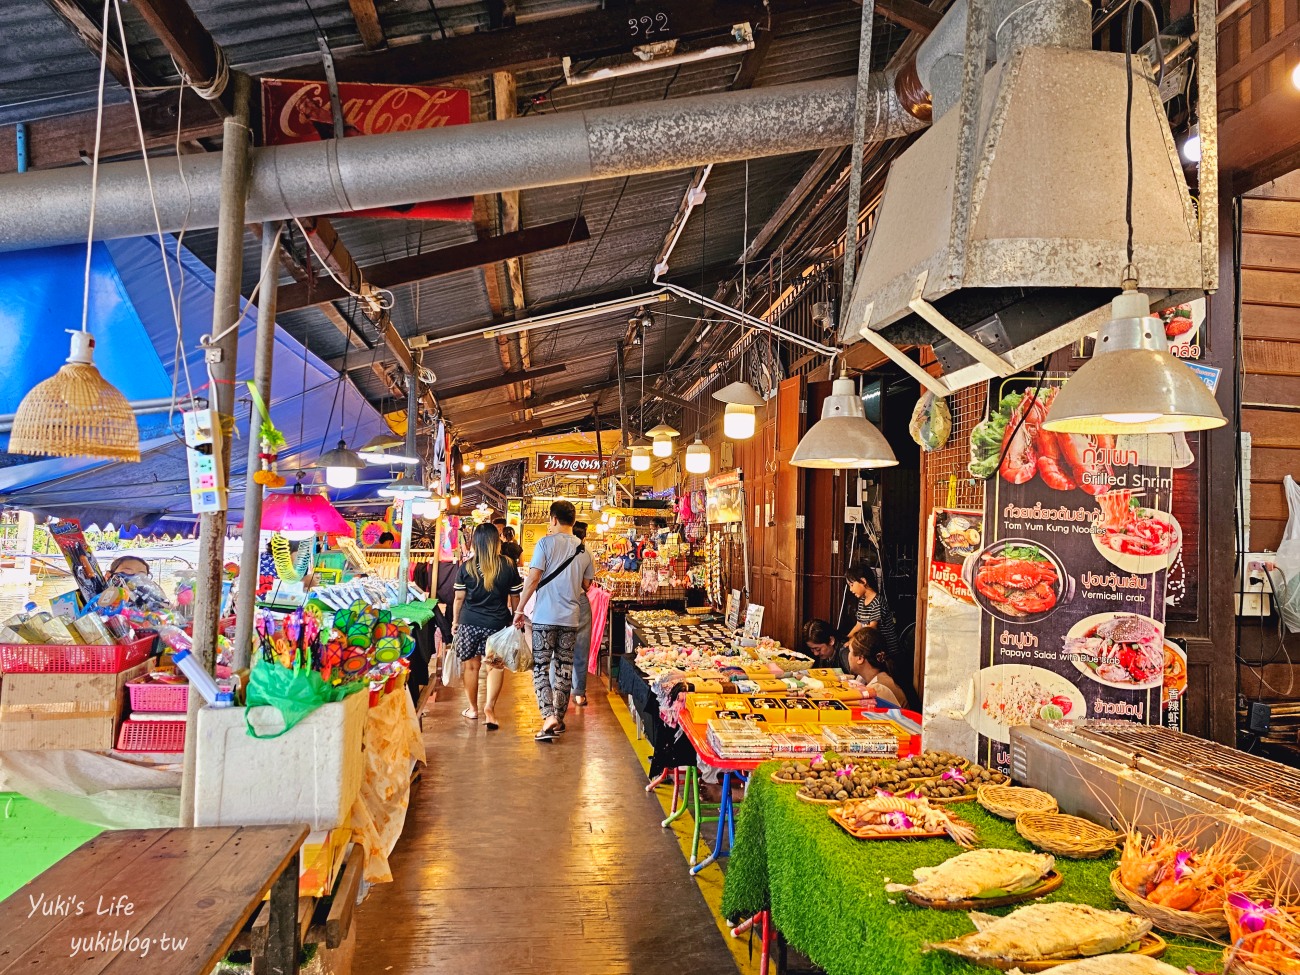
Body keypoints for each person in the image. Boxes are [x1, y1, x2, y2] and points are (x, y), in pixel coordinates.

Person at [513, 500, 593, 741]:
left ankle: (548, 715)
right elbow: (586, 585)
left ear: (554, 519)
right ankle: (558, 719)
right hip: (571, 618)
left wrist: (519, 609)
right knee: (563, 668)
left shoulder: (545, 543)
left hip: (545, 617)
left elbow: (534, 578)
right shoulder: (584, 550)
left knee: (540, 667)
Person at [452, 523, 522, 730]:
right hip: (497, 623)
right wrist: (516, 617)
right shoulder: (508, 565)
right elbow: (515, 595)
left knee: (471, 667)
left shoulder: (467, 567)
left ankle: (473, 709)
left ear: (476, 542)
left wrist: (455, 622)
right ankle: (489, 709)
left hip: (469, 622)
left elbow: (458, 598)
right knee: (495, 666)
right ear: (496, 541)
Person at [846, 561, 900, 657]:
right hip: (874, 648)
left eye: (851, 585)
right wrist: (847, 638)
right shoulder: (862, 601)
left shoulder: (878, 601)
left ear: (863, 581)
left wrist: (853, 640)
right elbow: (859, 624)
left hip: (887, 653)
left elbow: (872, 629)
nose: (850, 589)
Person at [844, 628, 907, 708]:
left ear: (860, 658)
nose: (848, 655)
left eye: (850, 651)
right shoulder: (863, 679)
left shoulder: (878, 689)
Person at [570, 522, 595, 707]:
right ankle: (579, 693)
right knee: (580, 648)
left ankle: (557, 691)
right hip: (579, 600)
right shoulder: (585, 551)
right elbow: (587, 585)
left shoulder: (548, 546)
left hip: (555, 602)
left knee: (556, 650)